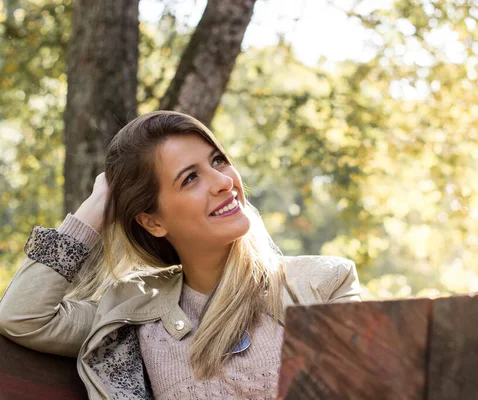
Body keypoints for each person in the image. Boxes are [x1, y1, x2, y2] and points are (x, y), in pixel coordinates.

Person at [0, 110, 361, 400]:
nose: (223, 182)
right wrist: (95, 207)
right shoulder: (131, 316)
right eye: (190, 178)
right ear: (152, 221)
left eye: (217, 161)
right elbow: (23, 316)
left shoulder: (323, 284)